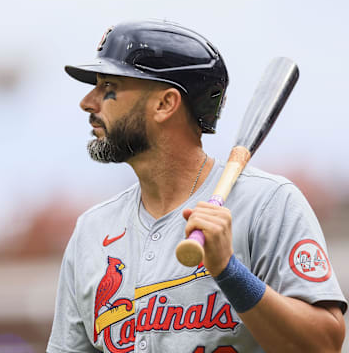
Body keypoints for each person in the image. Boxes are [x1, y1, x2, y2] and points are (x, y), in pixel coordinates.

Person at [47, 20, 347, 353]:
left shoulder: (268, 204)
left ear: (165, 104)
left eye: (108, 86)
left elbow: (324, 344)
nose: (88, 102)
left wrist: (229, 271)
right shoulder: (91, 230)